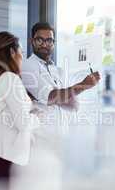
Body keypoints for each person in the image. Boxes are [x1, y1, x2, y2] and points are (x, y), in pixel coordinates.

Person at [19, 22, 101, 189]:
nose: (45, 44)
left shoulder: (58, 71)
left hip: (60, 142)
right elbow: (51, 97)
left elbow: (73, 104)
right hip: (40, 142)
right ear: (31, 41)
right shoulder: (28, 66)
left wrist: (64, 94)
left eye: (49, 40)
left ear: (54, 43)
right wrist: (82, 86)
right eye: (39, 40)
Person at [0, 31, 40, 190]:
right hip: (10, 158)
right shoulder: (10, 79)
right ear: (12, 52)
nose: (22, 56)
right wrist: (38, 116)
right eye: (21, 51)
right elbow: (23, 124)